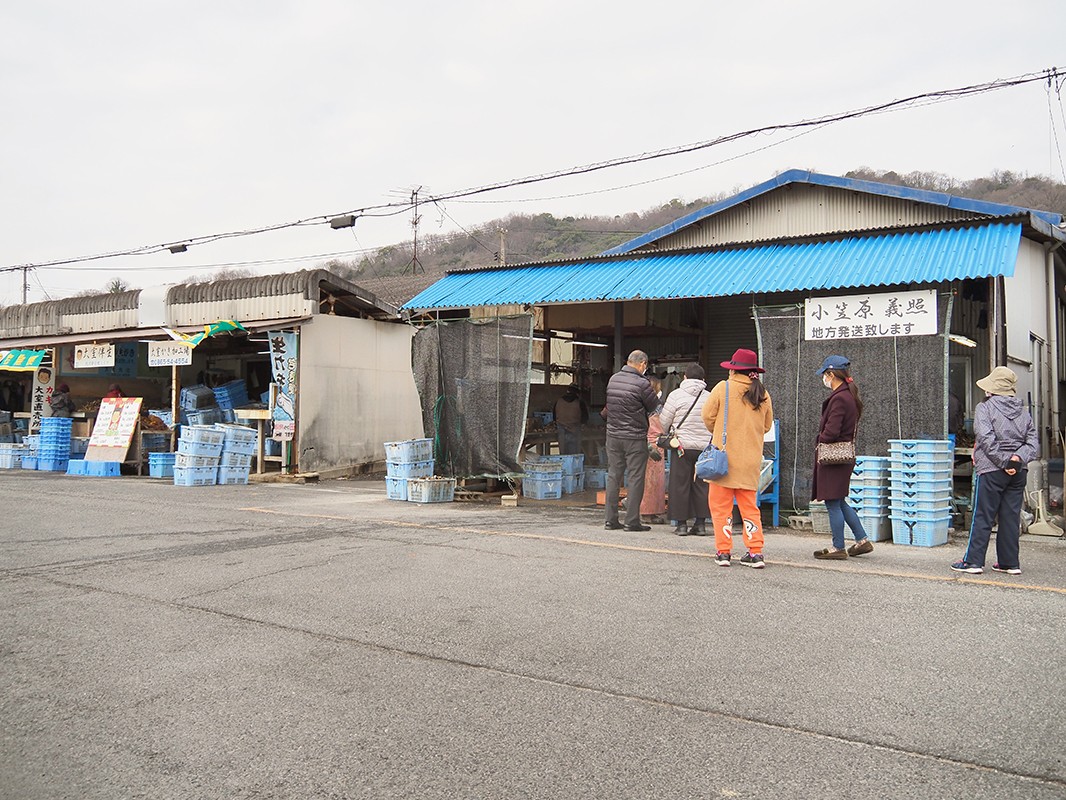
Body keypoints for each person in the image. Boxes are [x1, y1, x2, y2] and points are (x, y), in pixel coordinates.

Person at [951, 366, 1039, 575]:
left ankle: (973, 562)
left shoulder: (985, 408)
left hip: (991, 469)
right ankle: (1009, 563)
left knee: (983, 516)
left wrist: (1004, 461)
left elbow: (986, 438)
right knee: (1010, 516)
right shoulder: (1024, 412)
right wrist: (1016, 460)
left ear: (992, 389)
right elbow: (1033, 444)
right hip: (1018, 472)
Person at [701, 348, 774, 568]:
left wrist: (719, 430)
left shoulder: (723, 388)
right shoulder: (763, 393)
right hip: (751, 460)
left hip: (723, 459)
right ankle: (755, 552)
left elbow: (707, 415)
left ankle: (723, 552)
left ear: (734, 370)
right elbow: (767, 425)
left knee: (721, 507)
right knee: (750, 507)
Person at [811, 355, 873, 560]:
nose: (824, 379)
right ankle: (862, 540)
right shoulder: (849, 395)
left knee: (832, 502)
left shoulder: (839, 398)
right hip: (843, 457)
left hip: (833, 458)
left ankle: (838, 547)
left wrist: (820, 437)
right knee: (839, 501)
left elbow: (832, 431)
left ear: (831, 374)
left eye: (825, 375)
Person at [603, 350, 660, 532]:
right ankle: (631, 521)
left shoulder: (613, 379)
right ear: (642, 364)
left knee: (614, 476)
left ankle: (610, 520)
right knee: (635, 478)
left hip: (613, 436)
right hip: (634, 438)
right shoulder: (642, 383)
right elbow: (653, 406)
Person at [659, 363, 710, 535]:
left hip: (681, 447)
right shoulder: (709, 397)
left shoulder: (675, 395)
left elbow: (664, 422)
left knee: (679, 485)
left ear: (685, 377)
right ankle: (701, 524)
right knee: (702, 485)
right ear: (703, 380)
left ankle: (681, 525)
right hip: (704, 449)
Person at [641, 376, 667, 524]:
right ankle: (647, 512)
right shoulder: (656, 406)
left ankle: (645, 508)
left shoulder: (640, 404)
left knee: (645, 479)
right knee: (653, 481)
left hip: (645, 443)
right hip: (654, 444)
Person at [553, 384, 588, 456]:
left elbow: (554, 416)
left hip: (561, 431)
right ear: (577, 393)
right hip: (575, 430)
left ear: (567, 391)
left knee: (563, 454)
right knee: (574, 454)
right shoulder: (579, 402)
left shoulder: (559, 401)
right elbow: (585, 418)